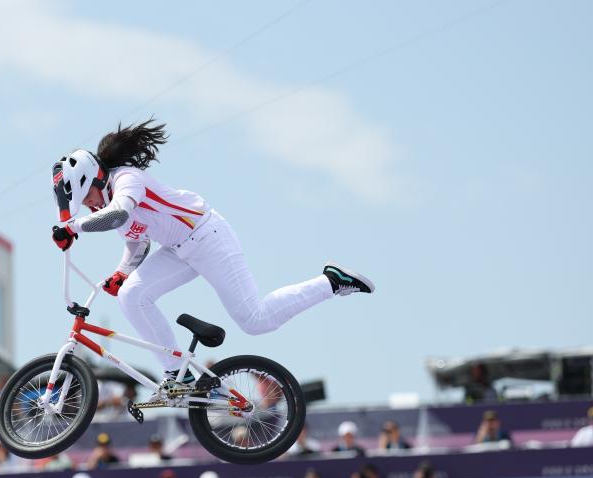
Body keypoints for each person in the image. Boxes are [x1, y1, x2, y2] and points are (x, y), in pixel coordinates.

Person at [50, 121, 374, 382]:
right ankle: (177, 375)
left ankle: (331, 281)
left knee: (255, 320)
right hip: (178, 250)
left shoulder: (127, 180)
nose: (90, 205)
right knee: (131, 295)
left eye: (87, 197)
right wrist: (122, 273)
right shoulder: (108, 203)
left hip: (208, 237)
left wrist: (74, 227)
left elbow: (119, 215)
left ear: (96, 178)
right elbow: (138, 242)